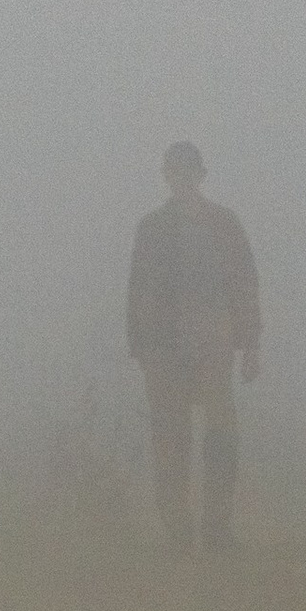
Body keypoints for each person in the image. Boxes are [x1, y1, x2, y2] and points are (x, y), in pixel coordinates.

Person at [126, 141, 261, 553]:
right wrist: (141, 349)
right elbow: (138, 291)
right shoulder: (151, 228)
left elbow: (244, 283)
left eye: (189, 170)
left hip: (214, 347)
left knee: (221, 437)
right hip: (165, 351)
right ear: (166, 175)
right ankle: (178, 534)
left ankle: (216, 530)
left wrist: (251, 344)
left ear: (201, 174)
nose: (182, 178)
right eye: (175, 171)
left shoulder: (225, 224)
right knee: (170, 439)